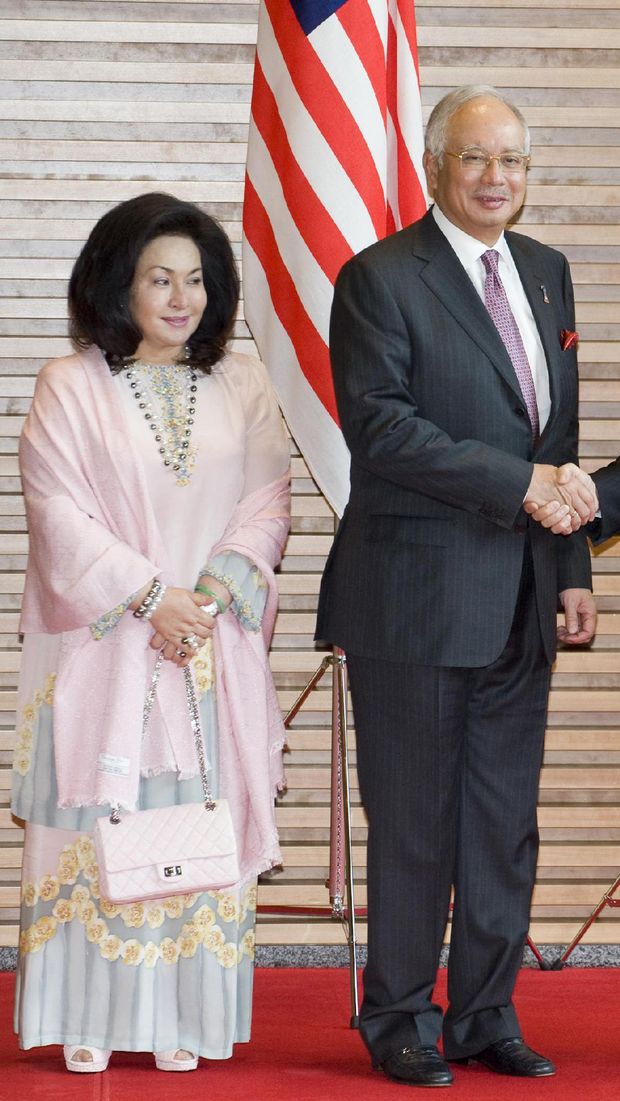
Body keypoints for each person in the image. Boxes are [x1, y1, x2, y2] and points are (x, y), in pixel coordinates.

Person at [316, 86, 598, 1087]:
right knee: (413, 823)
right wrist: (523, 487)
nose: (496, 179)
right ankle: (395, 1015)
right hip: (412, 600)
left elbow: (552, 444)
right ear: (435, 167)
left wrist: (567, 568)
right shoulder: (379, 277)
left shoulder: (548, 275)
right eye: (475, 159)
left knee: (498, 823)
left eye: (513, 161)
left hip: (522, 598)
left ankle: (482, 1013)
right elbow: (382, 430)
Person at [12, 192, 290, 1073]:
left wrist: (205, 596)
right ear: (115, 284)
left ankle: (183, 1020)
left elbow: (267, 503)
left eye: (196, 280)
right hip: (103, 652)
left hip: (207, 645)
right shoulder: (69, 383)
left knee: (191, 832)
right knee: (99, 824)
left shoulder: (243, 382)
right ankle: (87, 1015)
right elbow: (57, 515)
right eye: (159, 278)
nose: (181, 298)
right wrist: (146, 596)